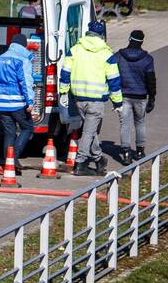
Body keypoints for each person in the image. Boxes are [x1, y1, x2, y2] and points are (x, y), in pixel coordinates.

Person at [58, 19, 123, 175]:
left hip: (78, 98)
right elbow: (114, 80)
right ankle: (80, 163)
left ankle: (99, 159)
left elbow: (65, 73)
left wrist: (63, 91)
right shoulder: (107, 54)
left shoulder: (74, 50)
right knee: (88, 131)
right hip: (96, 101)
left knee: (90, 130)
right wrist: (118, 102)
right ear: (101, 35)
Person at [0, 33, 40, 171]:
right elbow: (25, 82)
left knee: (9, 133)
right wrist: (30, 101)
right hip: (17, 102)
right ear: (24, 45)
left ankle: (7, 161)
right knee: (27, 128)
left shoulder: (0, 58)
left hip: (2, 104)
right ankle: (14, 157)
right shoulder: (22, 59)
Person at [115, 29, 157, 163]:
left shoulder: (118, 56)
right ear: (142, 42)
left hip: (123, 96)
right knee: (140, 123)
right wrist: (152, 98)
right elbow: (151, 80)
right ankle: (139, 151)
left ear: (129, 39)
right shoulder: (147, 59)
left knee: (125, 124)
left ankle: (126, 153)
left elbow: (113, 75)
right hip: (140, 96)